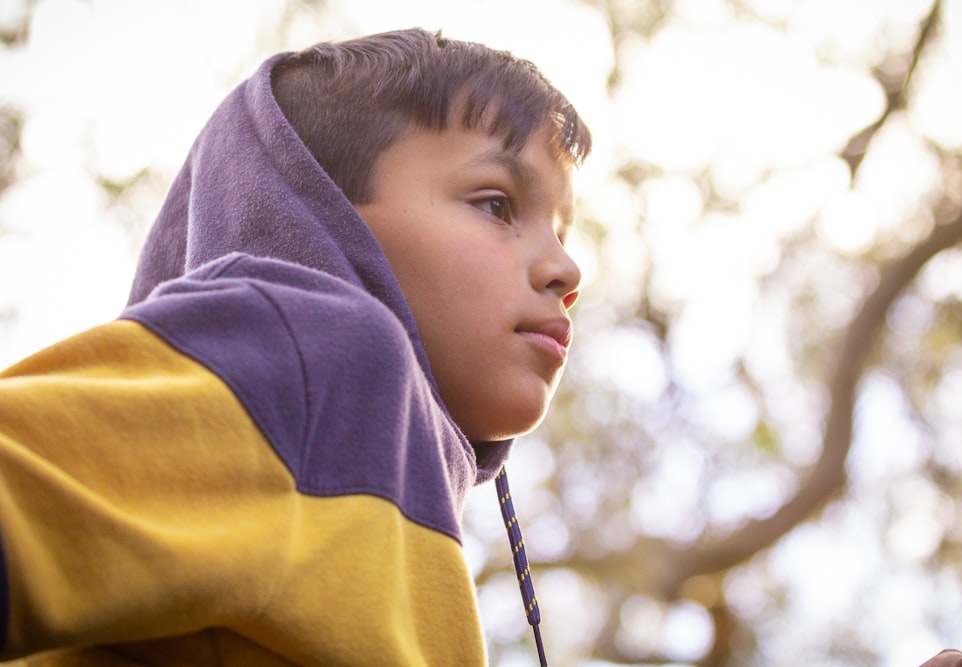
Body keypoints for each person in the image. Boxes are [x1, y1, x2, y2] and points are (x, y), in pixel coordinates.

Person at [0, 28, 587, 666]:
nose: (567, 270)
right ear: (325, 215)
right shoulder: (318, 360)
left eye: (562, 231)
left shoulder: (390, 476)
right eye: (497, 204)